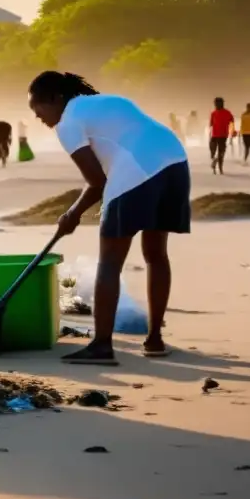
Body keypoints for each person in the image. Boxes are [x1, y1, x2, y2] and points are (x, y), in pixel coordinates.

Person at [28, 71, 190, 365]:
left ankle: (101, 345)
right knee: (156, 254)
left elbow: (97, 181)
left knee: (110, 262)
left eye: (37, 107)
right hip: (175, 162)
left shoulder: (68, 124)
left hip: (134, 170)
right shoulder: (107, 101)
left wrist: (72, 214)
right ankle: (154, 340)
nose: (37, 116)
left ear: (55, 99)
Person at [208, 98, 234, 175]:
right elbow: (211, 126)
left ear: (222, 104)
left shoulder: (226, 113)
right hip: (217, 135)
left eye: (218, 103)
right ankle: (216, 162)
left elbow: (231, 123)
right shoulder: (214, 113)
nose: (216, 105)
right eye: (216, 103)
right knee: (216, 153)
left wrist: (232, 132)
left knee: (220, 153)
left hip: (221, 136)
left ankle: (219, 167)